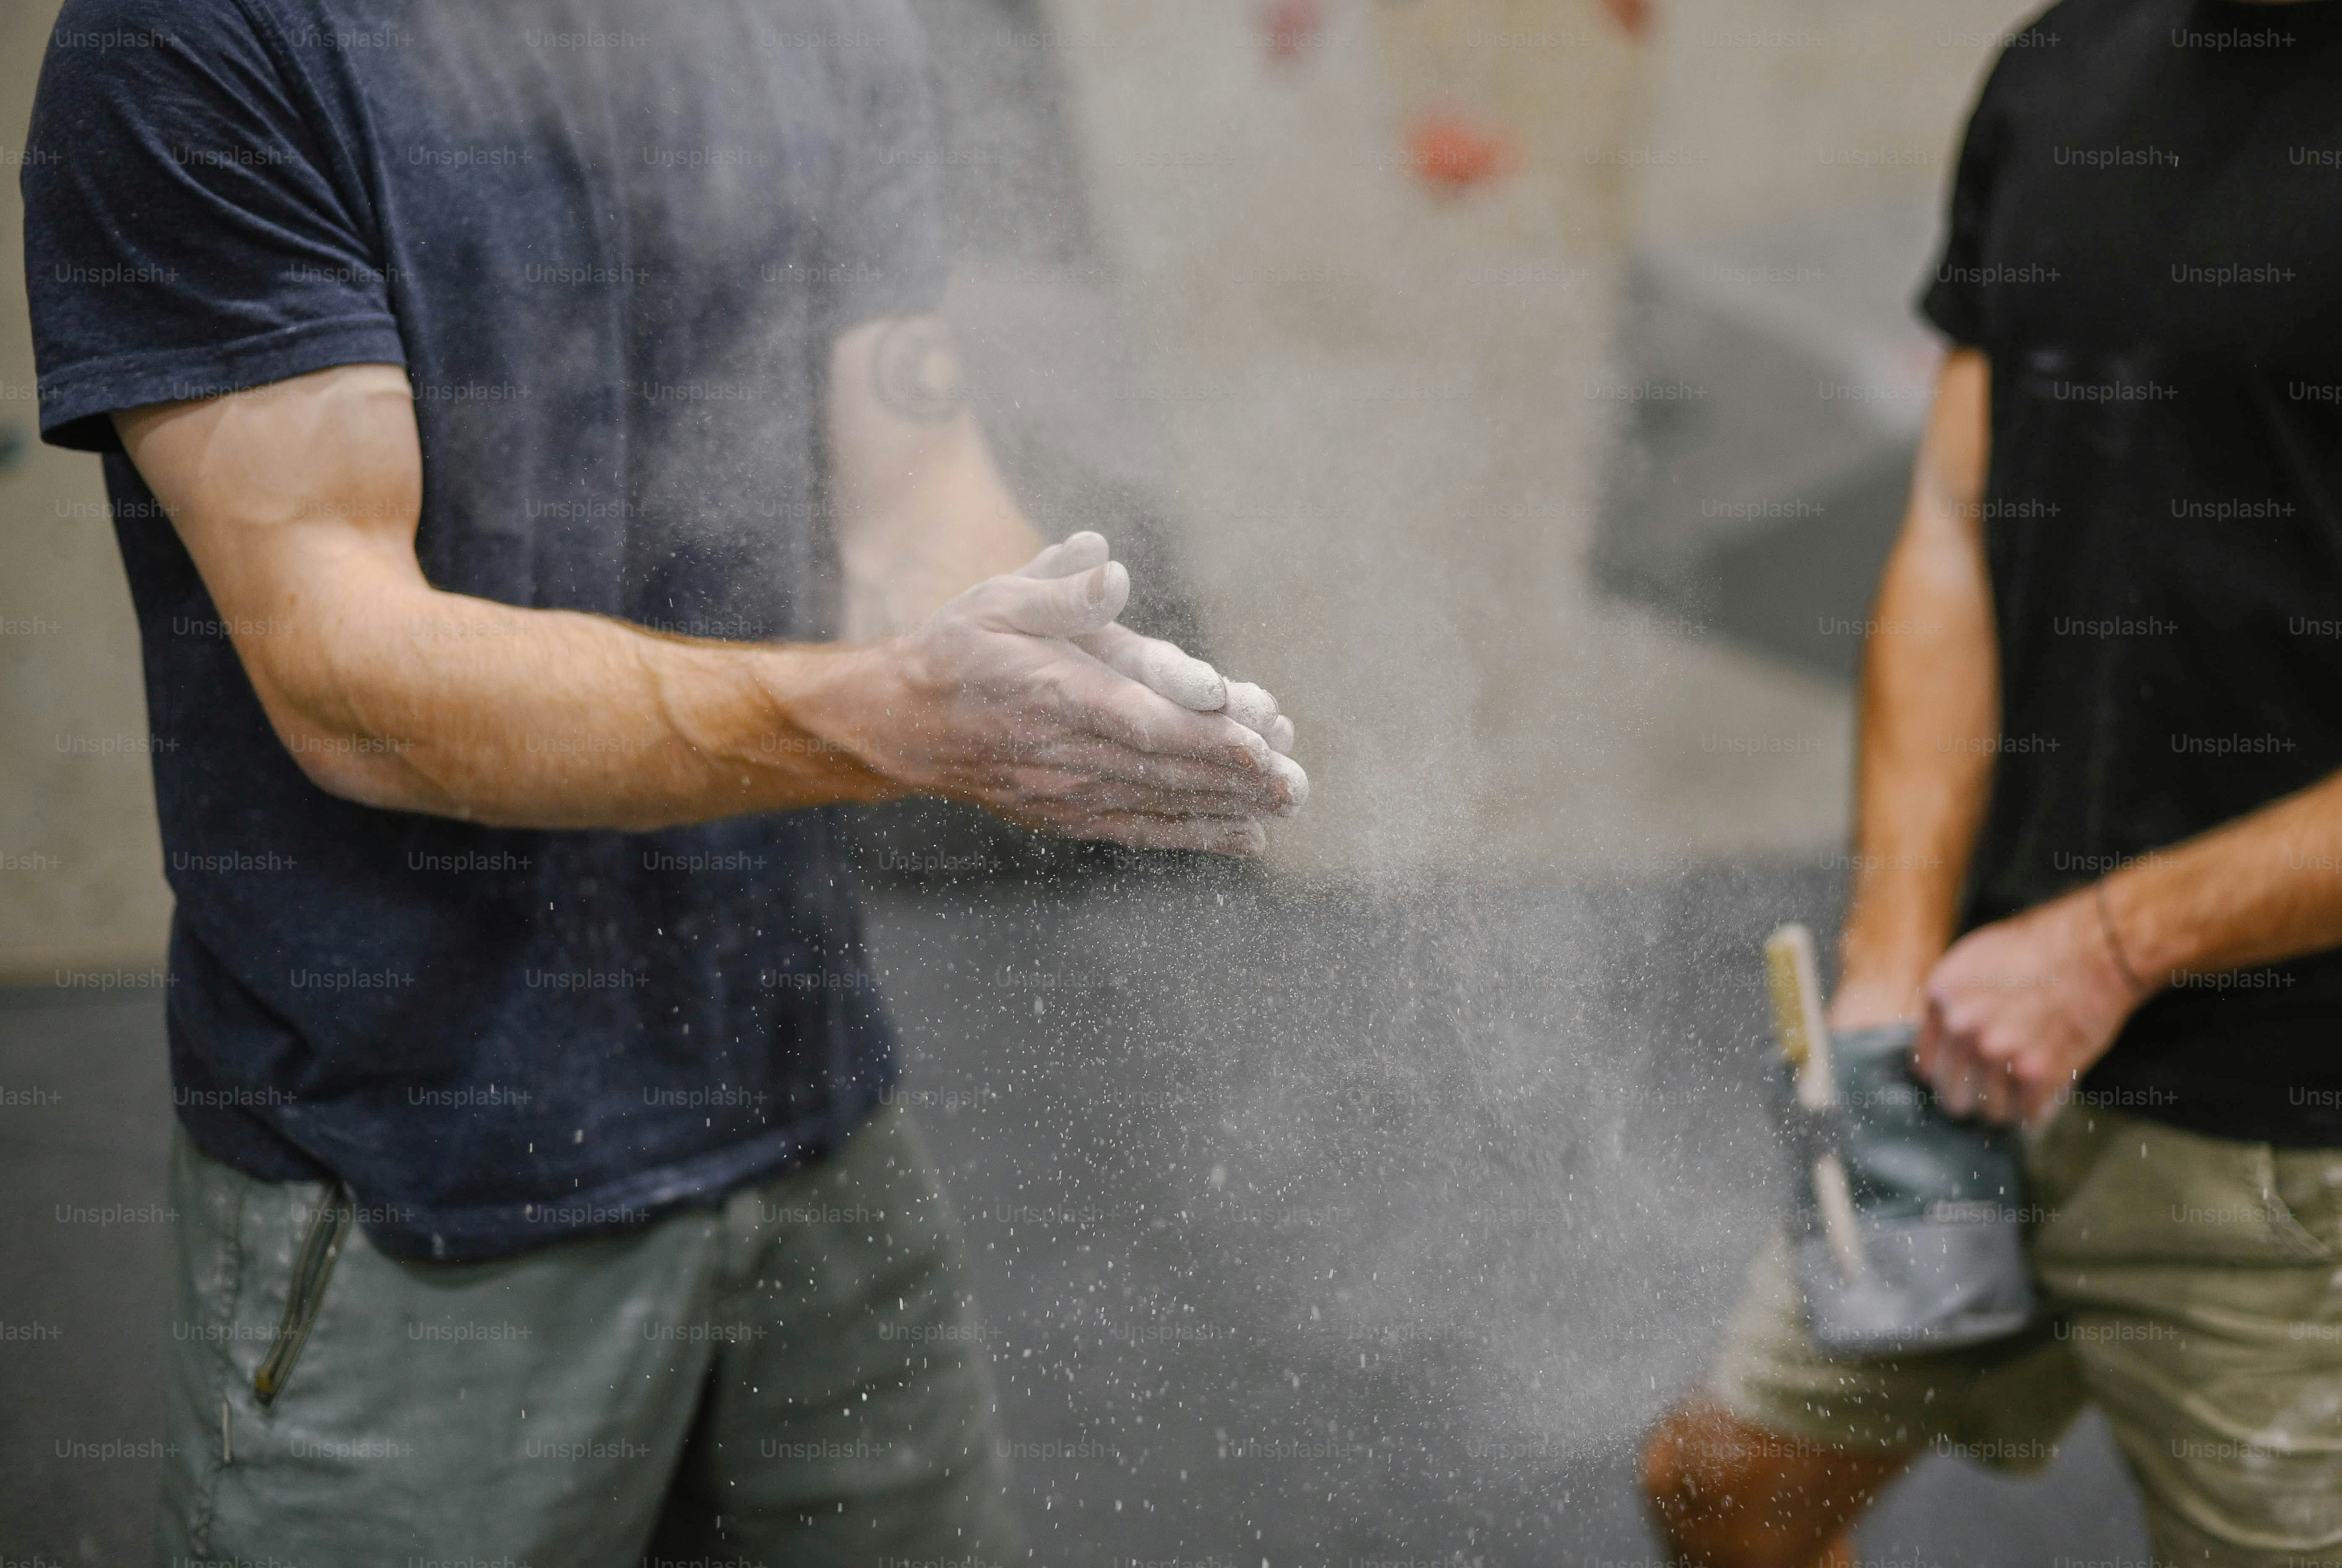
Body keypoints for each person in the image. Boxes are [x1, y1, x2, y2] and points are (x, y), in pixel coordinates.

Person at [23, 0, 1305, 1560]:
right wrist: (891, 717)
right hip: (415, 1176)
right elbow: (350, 681)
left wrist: (1051, 664)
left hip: (798, 1094)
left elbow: (911, 496)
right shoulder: (203, 42)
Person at [1640, 3, 2342, 1565]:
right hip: (1973, 1054)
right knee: (1726, 1497)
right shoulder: (2063, 63)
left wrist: (2110, 948)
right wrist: (1894, 958)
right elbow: (1961, 518)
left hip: (2294, 1151)